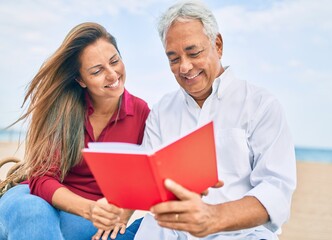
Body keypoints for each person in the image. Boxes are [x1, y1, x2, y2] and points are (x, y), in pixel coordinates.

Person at [134, 1, 297, 239]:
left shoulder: (260, 104)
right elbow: (149, 184)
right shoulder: (161, 111)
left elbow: (277, 190)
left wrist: (214, 217)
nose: (185, 67)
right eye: (174, 58)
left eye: (194, 53)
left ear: (217, 45)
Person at [0, 22, 150, 240]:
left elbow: (145, 176)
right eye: (97, 71)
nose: (112, 74)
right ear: (80, 80)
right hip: (34, 199)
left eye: (115, 61)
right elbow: (41, 180)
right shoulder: (64, 109)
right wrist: (90, 209)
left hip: (84, 221)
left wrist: (122, 214)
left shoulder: (141, 112)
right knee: (34, 212)